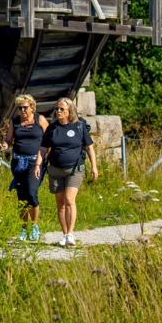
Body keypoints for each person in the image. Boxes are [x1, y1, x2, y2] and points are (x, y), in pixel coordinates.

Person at [37, 96, 98, 247]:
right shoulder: (52, 128)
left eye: (61, 109)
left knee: (69, 200)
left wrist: (94, 167)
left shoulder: (78, 127)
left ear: (69, 110)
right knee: (60, 204)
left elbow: (89, 147)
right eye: (57, 109)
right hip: (55, 170)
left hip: (75, 169)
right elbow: (43, 148)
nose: (58, 111)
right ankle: (64, 234)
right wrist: (38, 165)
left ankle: (70, 234)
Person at [0, 94, 49, 241]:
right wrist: (5, 145)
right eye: (20, 108)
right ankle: (23, 227)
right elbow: (9, 139)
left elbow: (49, 139)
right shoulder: (15, 122)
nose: (22, 111)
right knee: (21, 197)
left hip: (35, 163)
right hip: (18, 162)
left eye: (25, 107)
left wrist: (47, 157)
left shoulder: (40, 120)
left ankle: (34, 226)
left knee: (32, 193)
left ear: (32, 107)